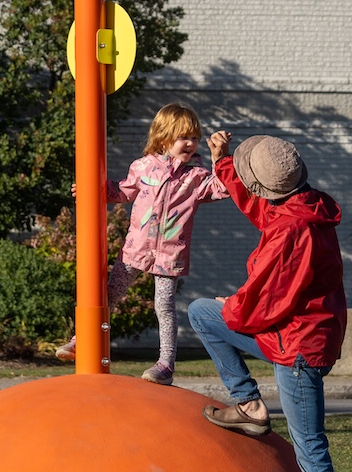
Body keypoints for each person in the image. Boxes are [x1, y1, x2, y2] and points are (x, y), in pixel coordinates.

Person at [188, 130, 348, 472]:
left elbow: (266, 299)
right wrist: (222, 163)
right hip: (306, 337)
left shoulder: (290, 232)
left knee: (312, 453)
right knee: (203, 312)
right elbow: (261, 207)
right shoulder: (305, 206)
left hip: (297, 346)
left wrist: (233, 306)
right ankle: (250, 406)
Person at [55, 103, 228, 384]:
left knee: (164, 306)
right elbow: (123, 191)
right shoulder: (144, 166)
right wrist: (90, 188)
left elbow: (222, 189)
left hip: (170, 253)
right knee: (108, 294)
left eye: (194, 138)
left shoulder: (196, 177)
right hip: (137, 248)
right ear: (163, 137)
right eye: (183, 137)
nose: (190, 143)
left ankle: (165, 365)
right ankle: (82, 341)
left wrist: (220, 158)